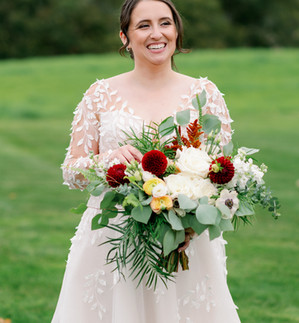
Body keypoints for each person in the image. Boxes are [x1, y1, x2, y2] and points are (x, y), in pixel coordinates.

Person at [52, 0, 241, 322]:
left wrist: (193, 223)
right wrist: (106, 160)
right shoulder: (100, 94)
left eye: (165, 23)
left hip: (185, 241)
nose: (157, 33)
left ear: (177, 30)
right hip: (113, 239)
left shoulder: (204, 93)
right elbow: (72, 172)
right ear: (124, 37)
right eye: (144, 25)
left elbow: (223, 176)